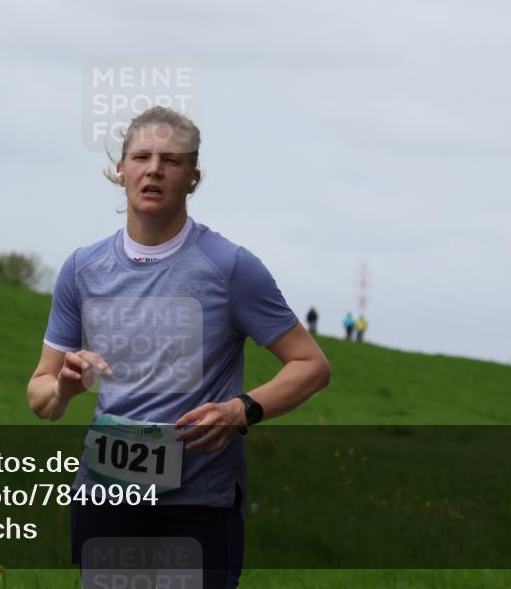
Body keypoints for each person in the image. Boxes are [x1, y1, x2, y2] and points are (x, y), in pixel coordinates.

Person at [27, 106, 332, 588]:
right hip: (106, 496)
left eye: (171, 160)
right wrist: (64, 387)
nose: (154, 169)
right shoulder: (82, 269)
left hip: (197, 504)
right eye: (141, 156)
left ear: (193, 177)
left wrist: (241, 410)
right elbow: (41, 394)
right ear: (120, 169)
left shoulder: (230, 267)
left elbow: (311, 365)